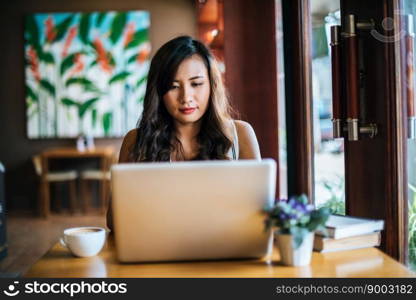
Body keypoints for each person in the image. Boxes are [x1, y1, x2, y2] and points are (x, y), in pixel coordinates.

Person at [107, 35, 261, 229]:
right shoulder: (135, 140)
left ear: (212, 85)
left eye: (196, 84)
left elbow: (259, 214)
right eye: (173, 86)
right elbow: (114, 221)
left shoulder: (241, 134)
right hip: (158, 252)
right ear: (159, 92)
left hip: (224, 252)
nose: (186, 97)